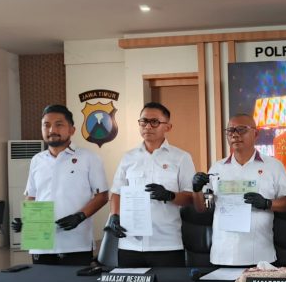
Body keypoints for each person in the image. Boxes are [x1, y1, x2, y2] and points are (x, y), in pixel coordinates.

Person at [192, 114, 286, 266]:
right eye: (230, 131)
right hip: (223, 255)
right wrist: (196, 190)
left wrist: (267, 203)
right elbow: (204, 207)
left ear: (256, 134)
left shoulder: (273, 166)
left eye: (241, 130)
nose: (235, 135)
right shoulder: (217, 168)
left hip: (260, 255)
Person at [11, 105, 108, 265]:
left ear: (72, 130)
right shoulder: (37, 160)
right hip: (41, 243)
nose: (52, 130)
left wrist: (80, 216)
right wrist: (26, 219)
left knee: (74, 281)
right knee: (40, 281)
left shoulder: (89, 158)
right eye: (46, 125)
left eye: (59, 124)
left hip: (76, 243)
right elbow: (32, 196)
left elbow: (102, 196)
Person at [105, 102, 195, 267]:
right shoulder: (128, 157)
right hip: (129, 244)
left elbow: (190, 198)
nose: (148, 126)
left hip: (166, 244)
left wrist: (170, 195)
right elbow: (117, 192)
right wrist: (114, 215)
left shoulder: (181, 157)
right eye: (144, 121)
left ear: (168, 127)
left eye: (154, 122)